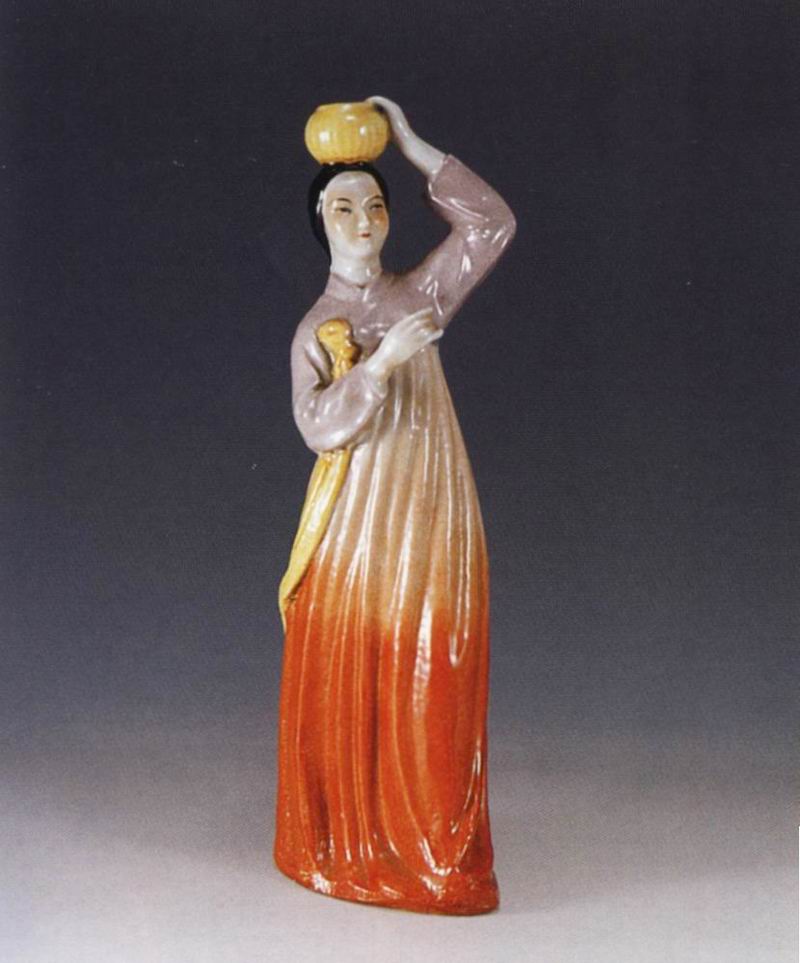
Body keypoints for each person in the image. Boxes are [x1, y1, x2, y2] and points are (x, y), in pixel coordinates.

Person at [275, 96, 516, 914]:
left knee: (437, 661)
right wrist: (381, 366)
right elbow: (317, 426)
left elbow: (492, 226)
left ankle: (434, 844)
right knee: (366, 665)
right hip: (360, 526)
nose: (364, 220)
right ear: (321, 222)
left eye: (375, 204)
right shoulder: (317, 326)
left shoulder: (420, 293)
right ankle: (359, 835)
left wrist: (416, 151)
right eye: (344, 207)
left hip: (433, 504)